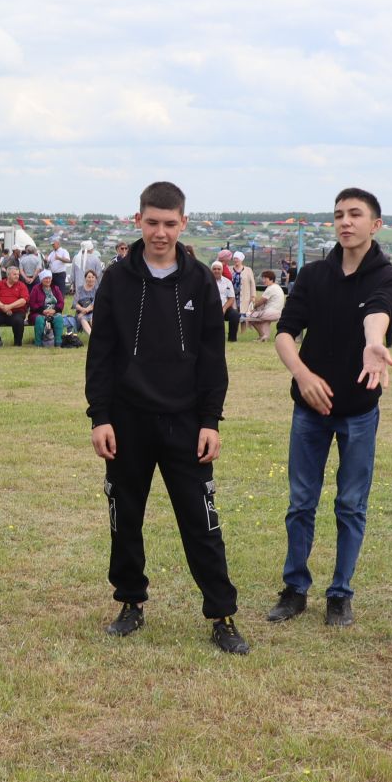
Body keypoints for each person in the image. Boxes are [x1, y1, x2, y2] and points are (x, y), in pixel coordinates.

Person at [84, 181, 246, 655]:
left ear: (183, 223)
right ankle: (130, 603)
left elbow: (213, 359)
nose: (160, 232)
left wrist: (210, 421)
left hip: (186, 425)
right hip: (128, 422)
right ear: (138, 221)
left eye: (169, 223)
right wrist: (101, 417)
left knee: (202, 523)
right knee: (125, 519)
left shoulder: (200, 282)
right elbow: (102, 355)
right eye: (152, 222)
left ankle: (221, 613)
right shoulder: (116, 279)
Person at [264, 189, 392, 629]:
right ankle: (294, 589)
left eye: (356, 215)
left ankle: (340, 594)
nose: (346, 222)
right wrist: (303, 377)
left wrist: (375, 343)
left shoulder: (387, 277)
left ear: (375, 224)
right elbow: (285, 333)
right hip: (309, 411)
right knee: (301, 502)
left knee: (350, 504)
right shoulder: (313, 274)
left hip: (359, 411)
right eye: (339, 215)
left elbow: (376, 315)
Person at [0, 264, 29, 347]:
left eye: (18, 274)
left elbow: (23, 301)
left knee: (18, 321)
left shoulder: (21, 285)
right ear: (8, 275)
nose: (17, 276)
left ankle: (17, 343)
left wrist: (9, 306)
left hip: (17, 312)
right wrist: (3, 307)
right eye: (14, 274)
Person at [73, 266, 101, 337]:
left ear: (95, 278)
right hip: (80, 314)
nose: (91, 279)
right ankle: (93, 338)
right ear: (85, 278)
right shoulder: (79, 289)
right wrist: (82, 310)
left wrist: (84, 312)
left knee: (92, 318)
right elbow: (74, 303)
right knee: (83, 318)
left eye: (92, 277)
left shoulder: (98, 290)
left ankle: (97, 337)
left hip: (93, 313)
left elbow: (94, 304)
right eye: (89, 277)